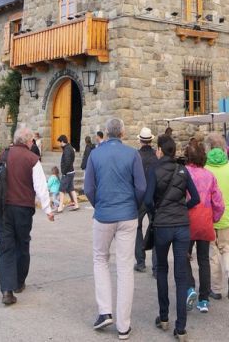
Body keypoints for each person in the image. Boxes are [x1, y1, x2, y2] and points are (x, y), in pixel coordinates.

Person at [84, 118, 146, 340]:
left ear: (107, 133)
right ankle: (123, 325)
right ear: (122, 132)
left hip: (104, 214)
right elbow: (141, 186)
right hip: (128, 214)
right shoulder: (132, 154)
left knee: (100, 259)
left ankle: (104, 311)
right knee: (124, 267)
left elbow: (88, 187)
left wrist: (98, 204)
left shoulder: (95, 154)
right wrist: (133, 206)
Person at [144, 134, 200, 341]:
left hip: (163, 226)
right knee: (181, 273)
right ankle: (181, 327)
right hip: (182, 226)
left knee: (161, 269)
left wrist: (157, 211)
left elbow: (148, 199)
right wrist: (182, 208)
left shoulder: (154, 170)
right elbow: (195, 197)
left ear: (159, 150)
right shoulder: (182, 170)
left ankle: (165, 316)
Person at [0, 127, 54, 305]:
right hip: (23, 209)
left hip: (3, 208)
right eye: (31, 140)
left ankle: (7, 290)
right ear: (27, 141)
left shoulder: (3, 155)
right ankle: (18, 282)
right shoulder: (32, 159)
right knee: (22, 243)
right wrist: (48, 210)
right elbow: (40, 186)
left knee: (5, 247)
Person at [184, 142, 224, 314]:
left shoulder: (183, 174)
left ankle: (190, 287)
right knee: (203, 260)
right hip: (205, 221)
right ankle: (204, 299)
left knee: (184, 257)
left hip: (186, 221)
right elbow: (219, 203)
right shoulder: (210, 175)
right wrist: (213, 219)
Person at [205, 137, 229, 302]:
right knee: (228, 249)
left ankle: (216, 288)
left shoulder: (205, 169)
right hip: (226, 216)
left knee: (212, 254)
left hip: (209, 218)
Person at [134, 127, 159, 274]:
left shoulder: (136, 156)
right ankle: (156, 267)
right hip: (154, 195)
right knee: (155, 227)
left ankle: (141, 261)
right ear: (151, 140)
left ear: (140, 140)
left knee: (137, 227)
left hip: (140, 196)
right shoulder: (157, 155)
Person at [56, 135, 79, 212]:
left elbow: (68, 162)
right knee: (71, 189)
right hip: (71, 171)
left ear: (62, 141)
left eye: (60, 142)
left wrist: (64, 172)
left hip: (67, 173)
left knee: (61, 189)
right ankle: (76, 204)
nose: (59, 144)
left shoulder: (67, 150)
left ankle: (60, 207)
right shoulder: (69, 148)